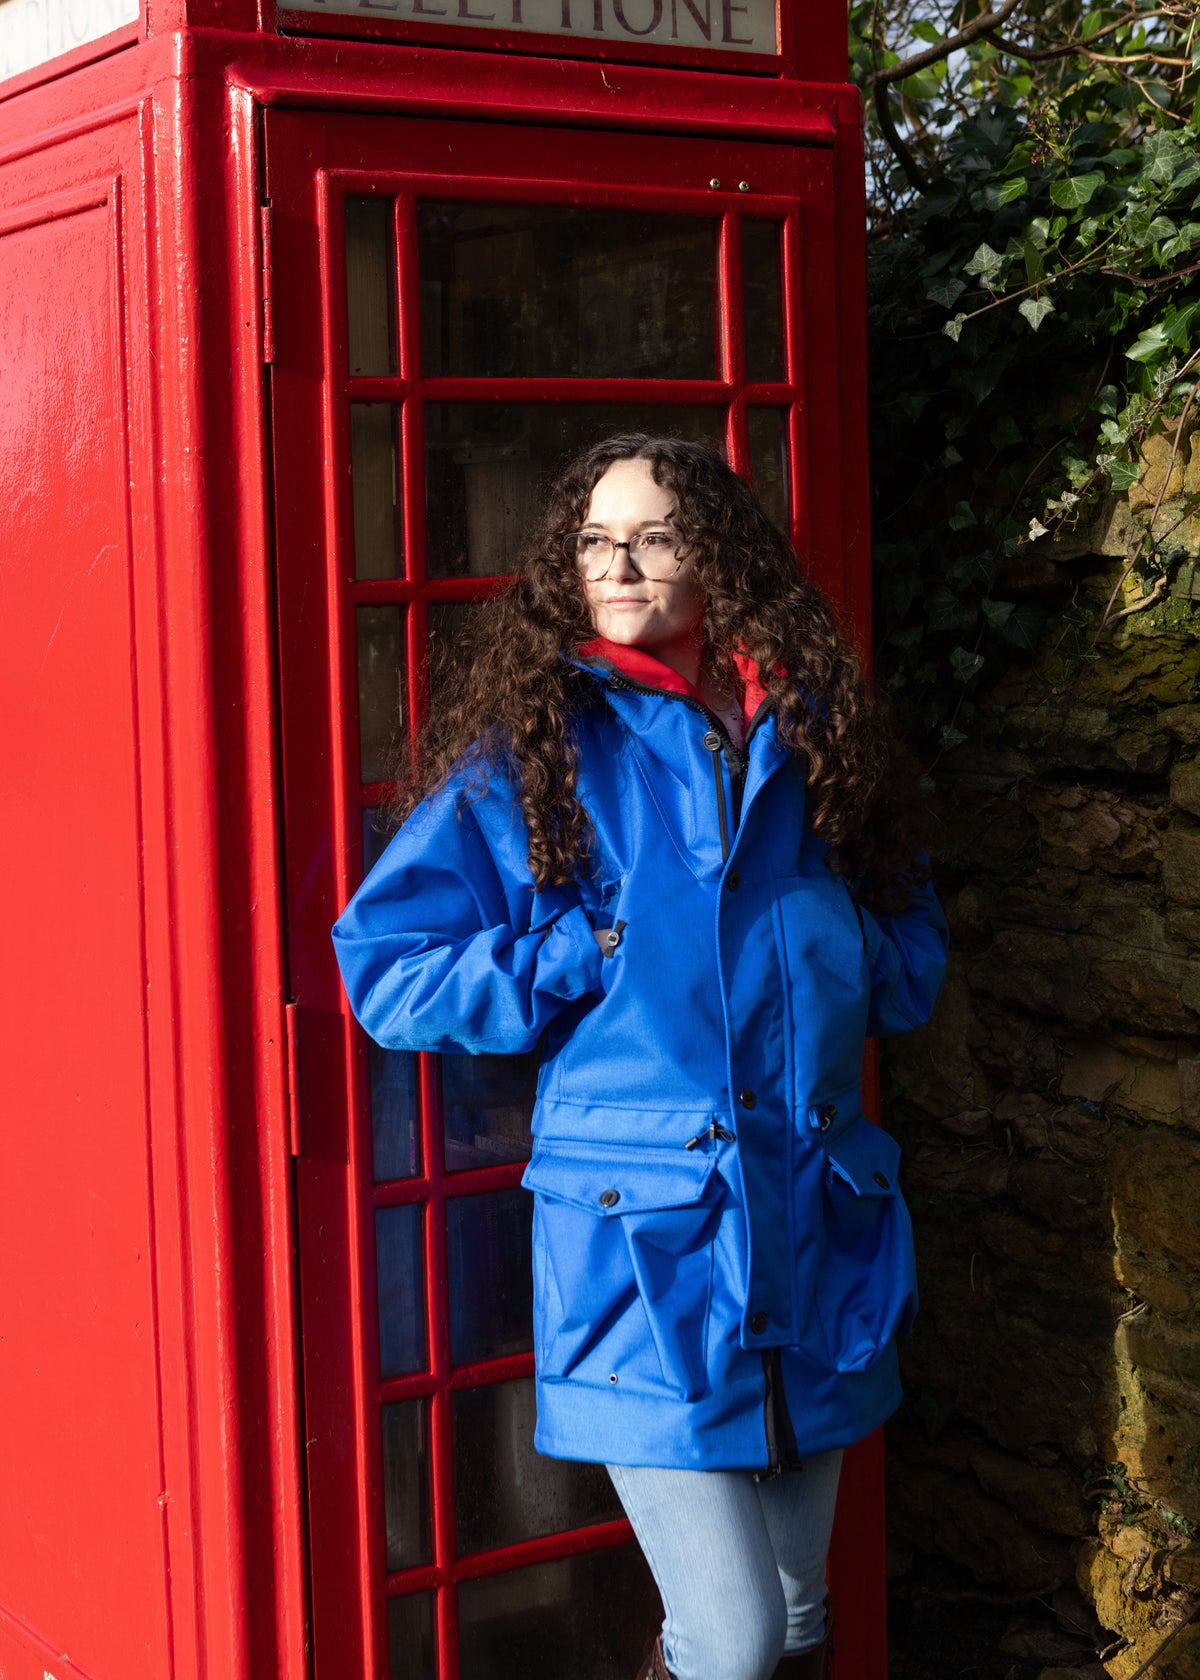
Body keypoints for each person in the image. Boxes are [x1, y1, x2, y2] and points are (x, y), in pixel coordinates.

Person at [332, 434, 949, 1680]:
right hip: (647, 1250)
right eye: (594, 539)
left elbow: (910, 934)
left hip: (813, 1217)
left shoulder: (811, 724)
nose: (618, 563)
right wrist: (574, 955)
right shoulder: (546, 740)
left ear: (716, 555)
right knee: (734, 1636)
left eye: (655, 537)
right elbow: (386, 965)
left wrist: (844, 959)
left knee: (802, 1612)